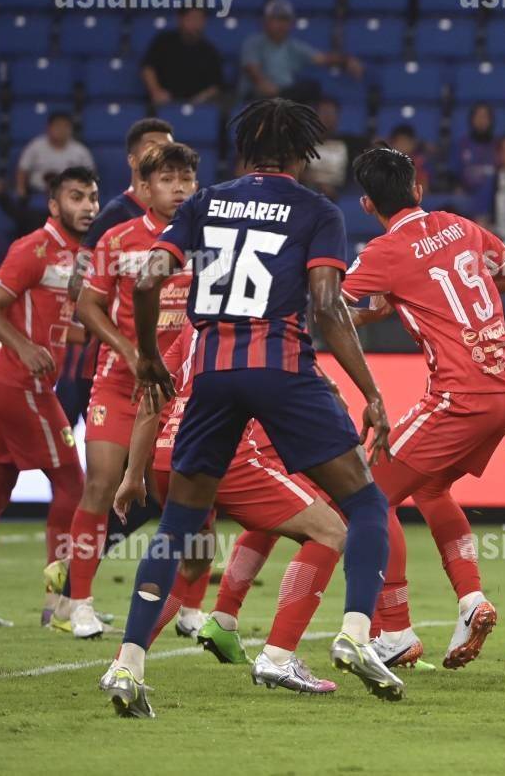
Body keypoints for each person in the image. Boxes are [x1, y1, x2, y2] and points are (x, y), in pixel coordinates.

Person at [101, 98, 401, 715]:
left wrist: (150, 356)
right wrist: (371, 393)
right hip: (281, 368)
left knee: (177, 525)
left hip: (211, 374)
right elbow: (327, 306)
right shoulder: (317, 210)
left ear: (245, 153)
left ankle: (126, 665)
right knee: (365, 502)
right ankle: (354, 633)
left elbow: (149, 277)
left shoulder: (206, 202)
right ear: (300, 155)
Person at [343, 147, 505, 669]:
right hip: (504, 388)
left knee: (368, 496)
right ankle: (471, 601)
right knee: (429, 489)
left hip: (459, 396)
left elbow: (328, 304)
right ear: (418, 190)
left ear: (366, 204)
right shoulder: (458, 225)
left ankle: (395, 630)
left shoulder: (384, 251)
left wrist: (370, 314)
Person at [110, 322, 345, 692]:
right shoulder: (255, 321)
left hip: (170, 455)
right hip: (225, 455)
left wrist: (133, 473)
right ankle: (279, 657)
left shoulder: (192, 324)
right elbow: (275, 388)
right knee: (330, 531)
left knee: (189, 559)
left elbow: (153, 394)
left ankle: (125, 665)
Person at [61, 143, 199, 640]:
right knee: (99, 485)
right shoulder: (118, 239)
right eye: (167, 179)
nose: (179, 188)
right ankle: (78, 604)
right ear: (144, 187)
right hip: (120, 384)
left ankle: (191, 608)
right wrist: (130, 351)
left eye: (186, 179)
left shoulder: (208, 240)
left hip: (182, 388)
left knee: (192, 495)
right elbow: (87, 306)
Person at [0, 167, 99, 627]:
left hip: (2, 380)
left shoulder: (78, 255)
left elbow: (57, 326)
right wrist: (25, 347)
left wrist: (100, 336)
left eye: (93, 197)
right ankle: (57, 605)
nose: (88, 206)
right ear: (54, 205)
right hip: (19, 382)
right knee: (72, 483)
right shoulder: (34, 248)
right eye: (76, 197)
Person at [47, 119, 175, 599]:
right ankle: (71, 589)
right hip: (105, 371)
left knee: (151, 491)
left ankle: (75, 571)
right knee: (99, 485)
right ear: (134, 163)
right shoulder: (116, 218)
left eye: (169, 152)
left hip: (163, 375)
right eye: (153, 151)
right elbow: (79, 287)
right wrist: (128, 337)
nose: (163, 159)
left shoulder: (185, 222)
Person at [240, 0, 360, 100]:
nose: (281, 25)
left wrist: (346, 60)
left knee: (312, 88)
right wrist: (263, 83)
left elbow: (321, 58)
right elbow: (252, 69)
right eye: (276, 19)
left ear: (291, 24)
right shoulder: (254, 42)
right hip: (259, 97)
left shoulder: (293, 46)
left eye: (285, 20)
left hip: (284, 95)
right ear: (265, 22)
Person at [141, 8, 224, 106]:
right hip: (163, 104)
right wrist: (156, 92)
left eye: (200, 19)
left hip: (197, 106)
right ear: (180, 19)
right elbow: (148, 68)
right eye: (192, 18)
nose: (196, 23)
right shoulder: (163, 42)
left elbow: (215, 87)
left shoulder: (210, 51)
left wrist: (198, 100)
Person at [15, 111, 94, 200]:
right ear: (49, 128)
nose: (61, 130)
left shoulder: (81, 151)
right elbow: (23, 170)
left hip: (71, 196)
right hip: (37, 192)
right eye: (58, 126)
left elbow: (90, 175)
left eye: (66, 126)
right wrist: (21, 190)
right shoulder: (35, 146)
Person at [452, 102, 499, 196]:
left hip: (494, 196)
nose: (481, 121)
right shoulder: (461, 145)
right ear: (472, 120)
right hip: (466, 196)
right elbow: (452, 174)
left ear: (491, 121)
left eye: (485, 117)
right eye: (478, 116)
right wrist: (456, 187)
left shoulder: (499, 145)